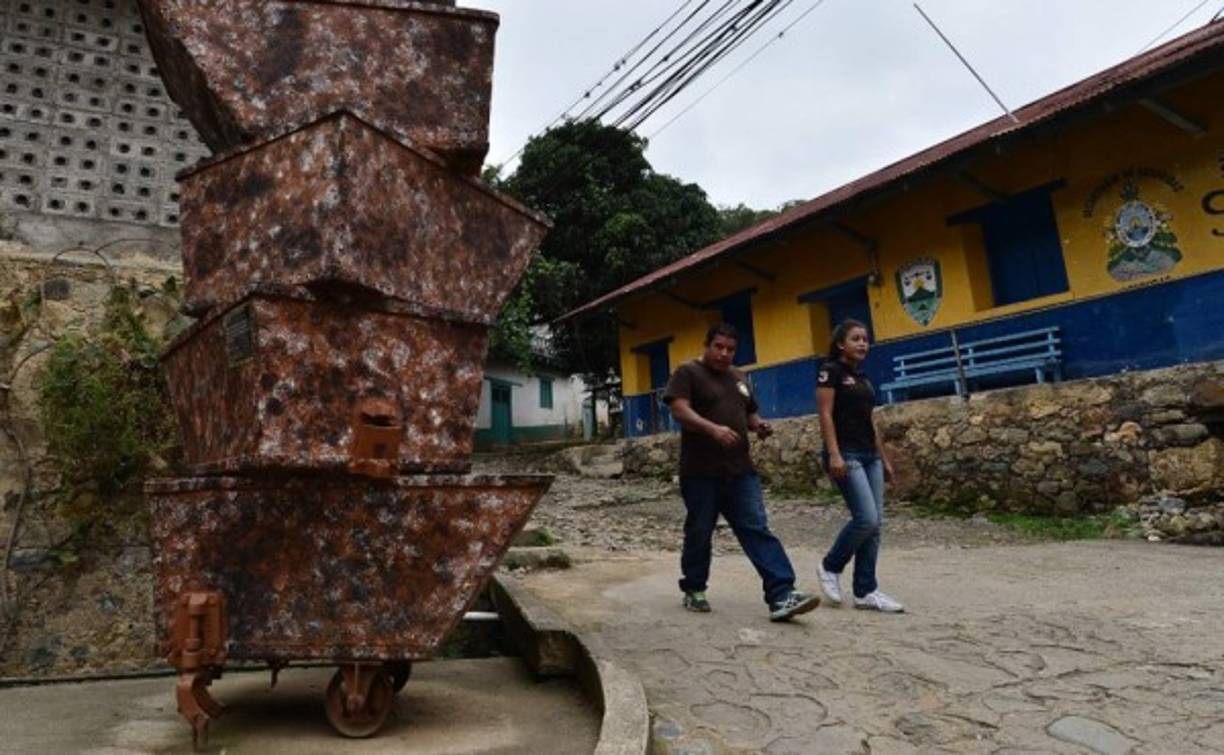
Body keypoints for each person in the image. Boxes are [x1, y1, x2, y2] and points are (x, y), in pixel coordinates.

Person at [664, 323, 821, 622]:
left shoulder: (740, 377)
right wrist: (713, 429)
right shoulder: (688, 373)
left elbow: (749, 411)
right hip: (700, 472)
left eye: (730, 349)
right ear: (706, 345)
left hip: (740, 469)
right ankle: (694, 588)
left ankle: (781, 594)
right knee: (699, 532)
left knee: (756, 528)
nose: (724, 354)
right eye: (718, 347)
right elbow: (679, 410)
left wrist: (758, 425)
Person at [815, 319, 904, 613]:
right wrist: (834, 454)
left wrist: (884, 459)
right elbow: (825, 415)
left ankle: (866, 591)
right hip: (846, 454)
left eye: (866, 339)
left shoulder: (864, 380)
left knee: (876, 524)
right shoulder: (830, 372)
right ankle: (830, 566)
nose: (863, 343)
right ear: (841, 344)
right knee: (865, 518)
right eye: (856, 338)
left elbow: (869, 421)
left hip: (870, 456)